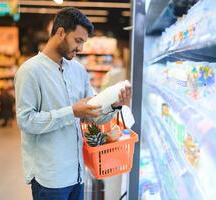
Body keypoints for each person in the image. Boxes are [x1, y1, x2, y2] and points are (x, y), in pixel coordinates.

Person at [14, 7, 131, 200]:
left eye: (84, 42)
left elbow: (93, 114)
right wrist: (71, 112)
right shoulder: (30, 71)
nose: (81, 49)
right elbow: (26, 121)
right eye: (78, 41)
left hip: (77, 174)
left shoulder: (78, 71)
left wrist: (115, 105)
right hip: (49, 178)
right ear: (60, 33)